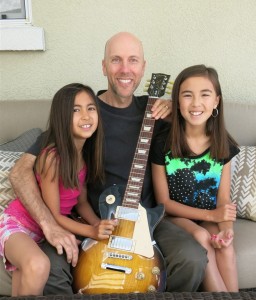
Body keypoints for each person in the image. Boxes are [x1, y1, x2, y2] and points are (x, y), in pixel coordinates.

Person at [7, 32, 208, 294]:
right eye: (116, 60)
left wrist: (179, 109)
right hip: (92, 218)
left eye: (133, 60)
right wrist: (49, 224)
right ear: (103, 66)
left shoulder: (156, 112)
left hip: (148, 219)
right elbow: (20, 172)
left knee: (191, 259)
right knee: (53, 267)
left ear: (143, 67)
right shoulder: (84, 115)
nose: (125, 69)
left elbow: (206, 138)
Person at [0, 83, 117, 296]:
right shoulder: (52, 157)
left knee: (21, 291)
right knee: (38, 265)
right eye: (75, 109)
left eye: (91, 108)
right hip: (19, 225)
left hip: (40, 233)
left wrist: (97, 223)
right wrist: (91, 232)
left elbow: (80, 203)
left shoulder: (84, 156)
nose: (85, 116)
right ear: (62, 117)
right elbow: (53, 215)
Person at [151, 64, 239, 291]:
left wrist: (226, 229)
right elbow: (164, 204)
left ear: (216, 101)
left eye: (205, 95)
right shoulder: (163, 143)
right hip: (174, 217)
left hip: (210, 216)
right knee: (202, 237)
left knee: (224, 246)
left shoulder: (223, 145)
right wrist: (212, 215)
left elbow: (223, 200)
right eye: (187, 95)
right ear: (177, 102)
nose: (196, 103)